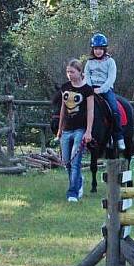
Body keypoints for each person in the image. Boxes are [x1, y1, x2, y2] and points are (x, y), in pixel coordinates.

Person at [55, 59, 94, 203]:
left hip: (80, 129)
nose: (69, 74)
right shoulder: (65, 87)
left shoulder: (87, 90)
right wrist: (59, 128)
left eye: (72, 72)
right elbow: (63, 109)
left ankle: (72, 192)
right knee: (66, 161)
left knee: (75, 160)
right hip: (66, 129)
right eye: (68, 72)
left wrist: (88, 131)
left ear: (79, 72)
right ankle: (78, 181)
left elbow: (90, 111)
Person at [84, 33, 126, 151]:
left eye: (100, 49)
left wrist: (101, 89)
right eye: (96, 49)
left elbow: (111, 78)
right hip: (91, 89)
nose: (98, 51)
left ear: (104, 49)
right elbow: (87, 76)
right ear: (93, 49)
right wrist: (90, 88)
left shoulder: (110, 61)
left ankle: (118, 136)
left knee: (114, 109)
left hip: (105, 89)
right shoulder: (89, 62)